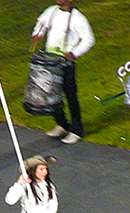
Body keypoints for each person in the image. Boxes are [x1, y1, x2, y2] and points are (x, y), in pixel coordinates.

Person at [30, 0, 95, 145]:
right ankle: (62, 124)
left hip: (65, 64)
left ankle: (77, 130)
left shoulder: (78, 18)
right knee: (51, 93)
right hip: (49, 61)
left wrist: (75, 53)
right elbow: (41, 23)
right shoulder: (51, 11)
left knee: (70, 95)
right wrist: (38, 34)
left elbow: (89, 39)